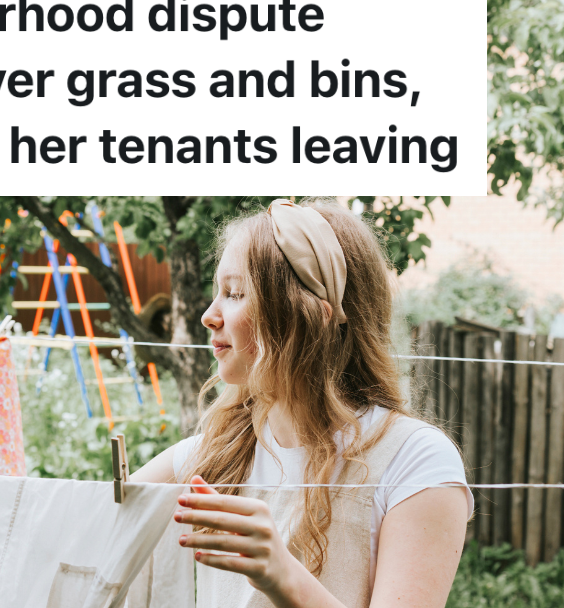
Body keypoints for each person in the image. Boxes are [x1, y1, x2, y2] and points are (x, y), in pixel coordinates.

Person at [131, 199, 471, 608]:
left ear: (310, 316)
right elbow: (91, 523)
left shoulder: (414, 460)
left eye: (235, 293)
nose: (209, 315)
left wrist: (282, 575)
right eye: (217, 291)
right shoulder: (219, 450)